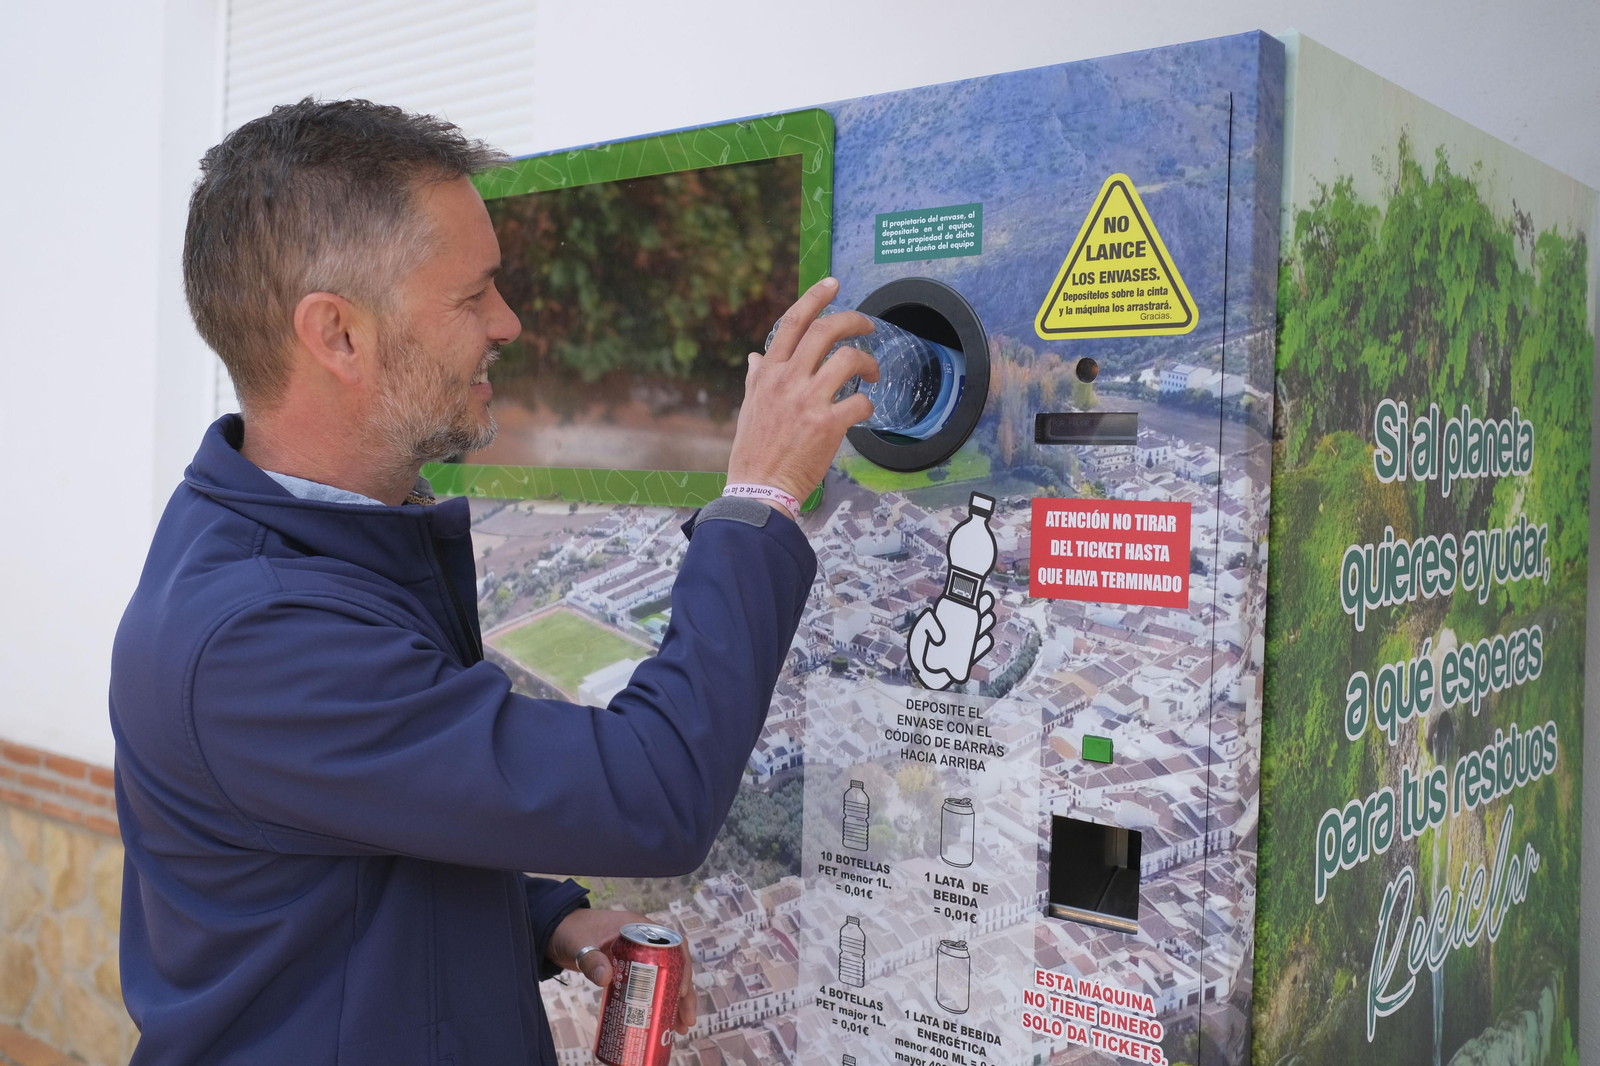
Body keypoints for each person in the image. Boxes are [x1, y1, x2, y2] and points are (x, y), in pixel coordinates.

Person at [109, 98, 877, 1065]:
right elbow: (652, 792)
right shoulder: (257, 637)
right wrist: (759, 494)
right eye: (472, 297)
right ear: (338, 336)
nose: (507, 323)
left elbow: (364, 836)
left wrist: (541, 918)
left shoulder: (306, 544)